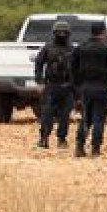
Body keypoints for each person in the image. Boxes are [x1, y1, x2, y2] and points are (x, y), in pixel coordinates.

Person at [71, 21, 107, 158]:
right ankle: (95, 149)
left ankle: (79, 147)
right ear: (103, 32)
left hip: (85, 88)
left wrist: (76, 90)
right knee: (99, 119)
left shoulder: (80, 48)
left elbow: (72, 70)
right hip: (103, 88)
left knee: (85, 119)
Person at [34, 21, 75, 150]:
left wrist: (76, 85)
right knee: (47, 113)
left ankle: (61, 139)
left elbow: (77, 68)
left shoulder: (72, 49)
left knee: (65, 114)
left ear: (68, 34)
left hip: (67, 86)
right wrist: (39, 81)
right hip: (51, 85)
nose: (62, 34)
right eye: (59, 32)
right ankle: (44, 138)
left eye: (64, 32)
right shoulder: (48, 47)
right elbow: (38, 64)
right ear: (54, 33)